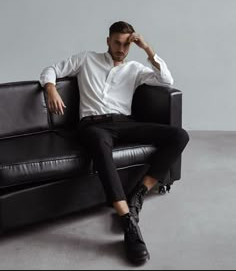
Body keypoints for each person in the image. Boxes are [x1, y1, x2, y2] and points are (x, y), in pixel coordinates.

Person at [39, 21, 189, 265]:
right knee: (99, 142)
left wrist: (148, 49)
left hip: (124, 123)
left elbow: (166, 81)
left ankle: (139, 194)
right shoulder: (87, 59)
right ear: (107, 40)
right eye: (117, 43)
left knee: (179, 135)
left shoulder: (135, 68)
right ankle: (127, 220)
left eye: (126, 44)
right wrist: (51, 88)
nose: (121, 49)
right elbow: (51, 69)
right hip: (93, 125)